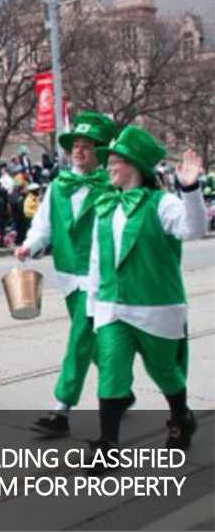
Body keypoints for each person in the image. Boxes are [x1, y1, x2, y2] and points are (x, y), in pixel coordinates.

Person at [87, 129, 206, 460]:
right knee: (111, 370)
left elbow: (194, 230)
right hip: (113, 307)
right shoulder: (107, 205)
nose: (108, 167)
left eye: (114, 161)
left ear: (134, 165)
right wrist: (91, 305)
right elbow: (97, 259)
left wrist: (190, 188)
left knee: (165, 372)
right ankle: (108, 445)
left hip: (156, 306)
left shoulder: (162, 203)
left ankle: (181, 416)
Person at [15, 112, 117, 437]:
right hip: (69, 277)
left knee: (79, 340)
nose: (79, 151)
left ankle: (60, 410)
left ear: (100, 153)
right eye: (76, 145)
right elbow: (43, 225)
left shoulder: (112, 187)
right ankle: (119, 390)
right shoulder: (59, 185)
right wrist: (29, 246)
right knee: (96, 344)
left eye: (87, 146)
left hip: (100, 278)